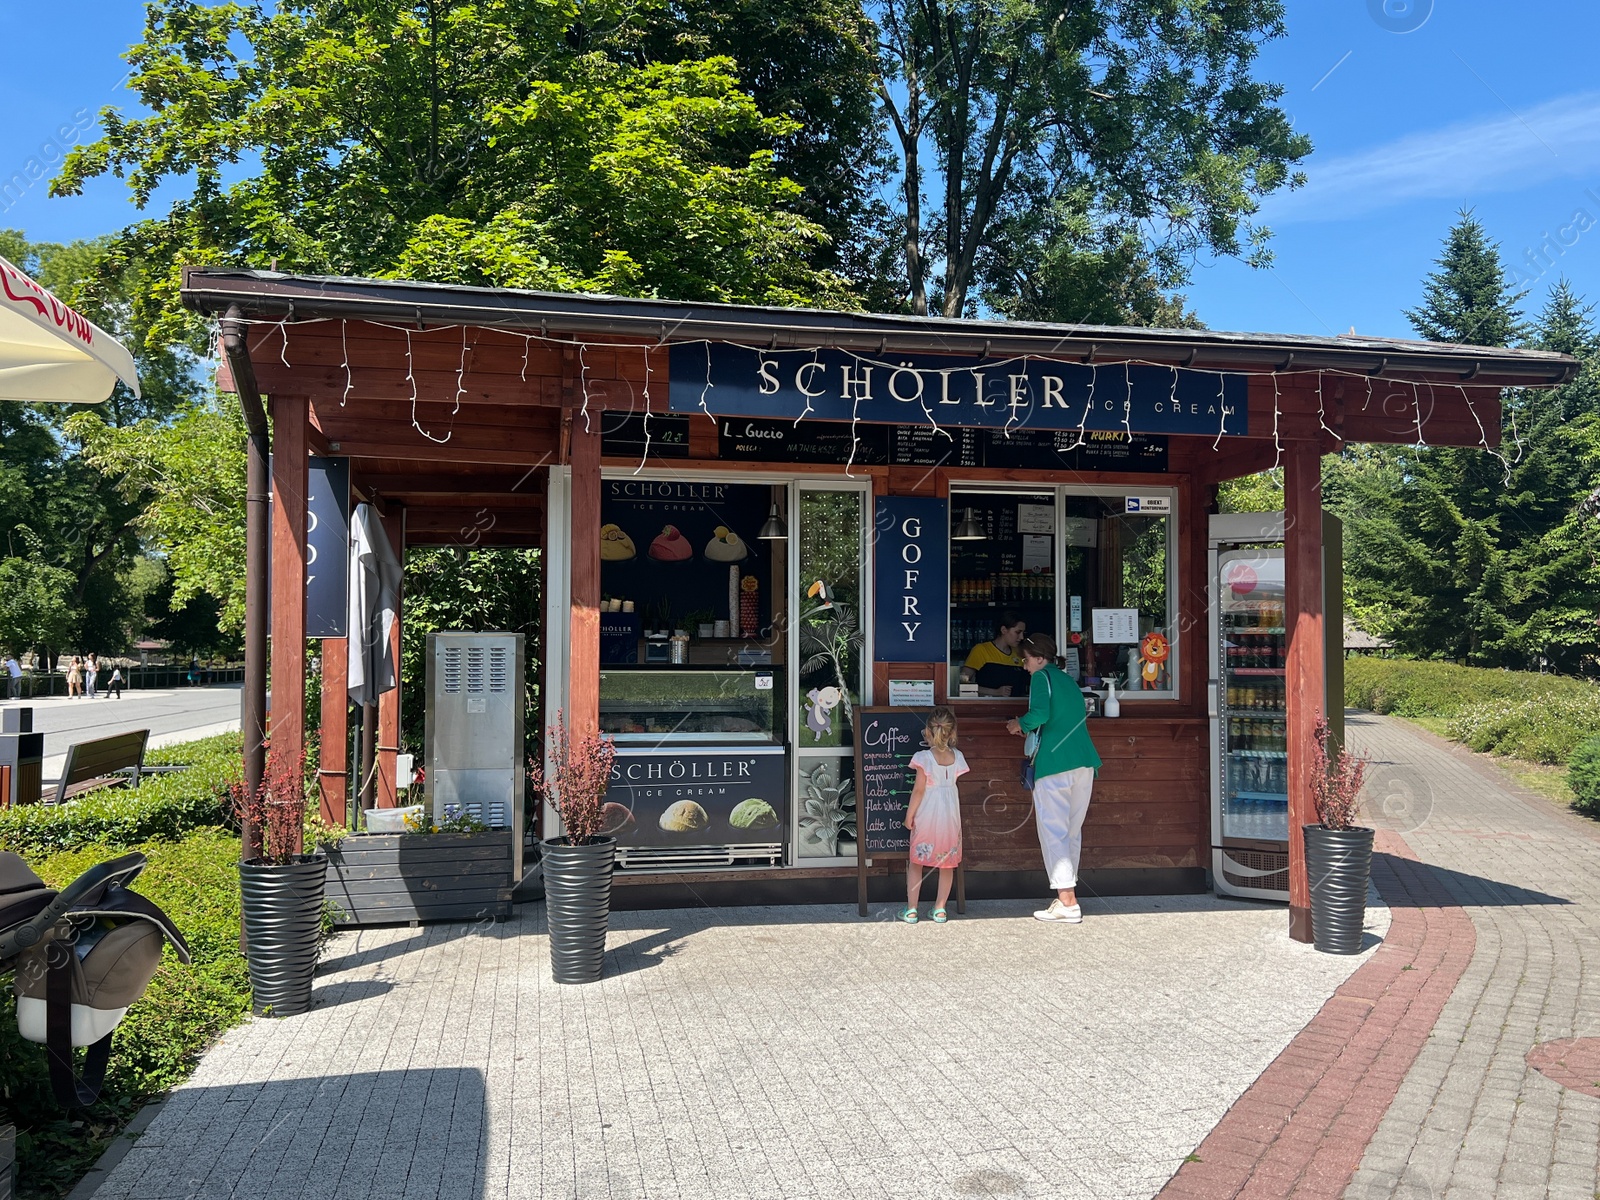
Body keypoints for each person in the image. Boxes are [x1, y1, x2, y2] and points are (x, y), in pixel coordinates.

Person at [1007, 633, 1102, 924]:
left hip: (1054, 762)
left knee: (1053, 831)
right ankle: (1068, 896)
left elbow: (1039, 714)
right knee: (1072, 831)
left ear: (1038, 658)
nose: (1024, 666)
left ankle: (1067, 902)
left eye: (1026, 659)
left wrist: (1017, 724)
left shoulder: (1041, 678)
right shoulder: (1068, 680)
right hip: (1084, 762)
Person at [900, 707, 967, 924]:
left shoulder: (923, 758)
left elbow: (918, 790)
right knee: (947, 865)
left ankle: (912, 909)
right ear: (952, 733)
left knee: (916, 863)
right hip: (949, 817)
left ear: (927, 732)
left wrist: (909, 815)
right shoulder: (957, 757)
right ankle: (940, 909)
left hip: (928, 815)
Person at [960, 611, 1027, 697]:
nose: (1021, 637)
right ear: (1004, 630)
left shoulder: (1019, 652)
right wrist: (995, 692)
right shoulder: (981, 650)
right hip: (987, 706)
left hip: (1016, 706)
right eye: (1018, 632)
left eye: (1023, 633)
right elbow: (963, 685)